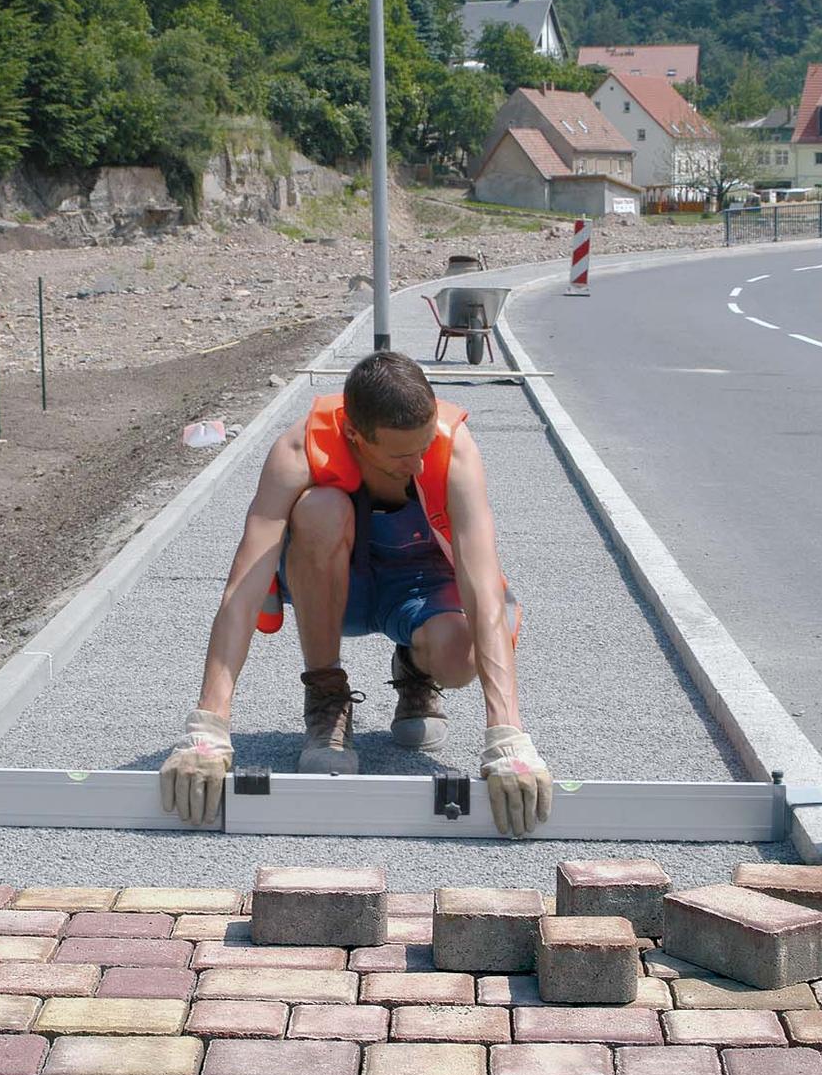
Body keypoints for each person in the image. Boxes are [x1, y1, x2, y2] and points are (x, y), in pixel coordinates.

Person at [159, 350, 552, 837]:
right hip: (337, 583)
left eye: (424, 445)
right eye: (399, 456)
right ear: (353, 436)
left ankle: (416, 668)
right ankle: (327, 695)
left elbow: (483, 591)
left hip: (419, 581)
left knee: (460, 655)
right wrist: (208, 728)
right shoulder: (297, 452)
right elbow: (242, 591)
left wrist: (507, 734)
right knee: (321, 509)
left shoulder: (455, 450)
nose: (419, 462)